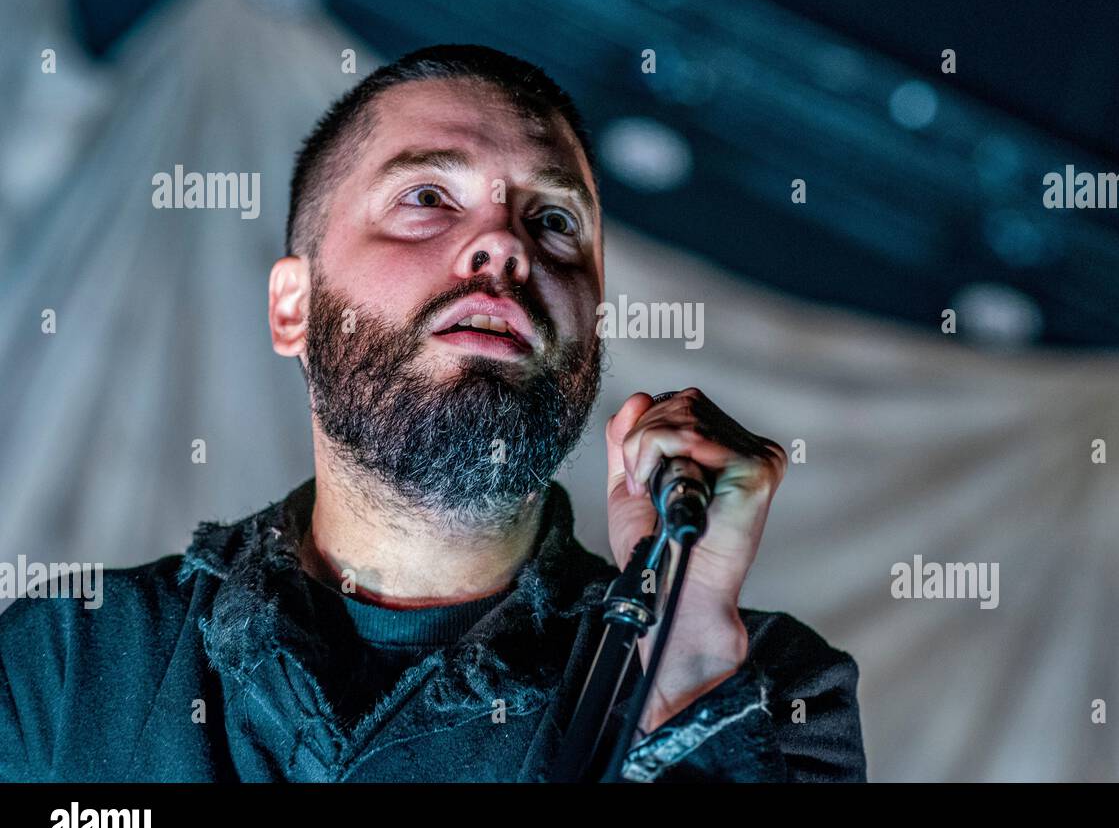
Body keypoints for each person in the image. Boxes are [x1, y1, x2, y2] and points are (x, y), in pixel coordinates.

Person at [0, 45, 867, 782]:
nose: (505, 245)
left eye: (554, 220)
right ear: (293, 308)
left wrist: (688, 674)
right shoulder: (69, 666)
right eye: (427, 198)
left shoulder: (769, 692)